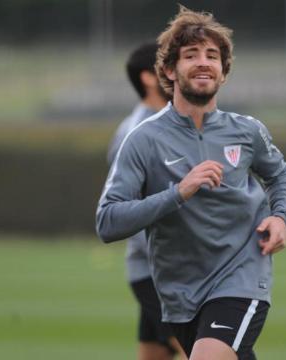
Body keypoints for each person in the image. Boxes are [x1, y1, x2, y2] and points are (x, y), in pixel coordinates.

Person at [96, 6, 286, 360]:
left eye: (212, 56)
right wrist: (178, 192)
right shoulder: (143, 139)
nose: (204, 62)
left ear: (223, 71)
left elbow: (280, 175)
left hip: (241, 276)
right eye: (191, 55)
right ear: (169, 70)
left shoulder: (246, 131)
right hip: (179, 294)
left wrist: (281, 216)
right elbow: (108, 222)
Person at [106, 43, 184, 360]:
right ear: (148, 78)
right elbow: (121, 208)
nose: (175, 71)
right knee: (208, 349)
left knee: (155, 354)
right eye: (167, 64)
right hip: (159, 272)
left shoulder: (171, 122)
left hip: (166, 269)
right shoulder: (135, 131)